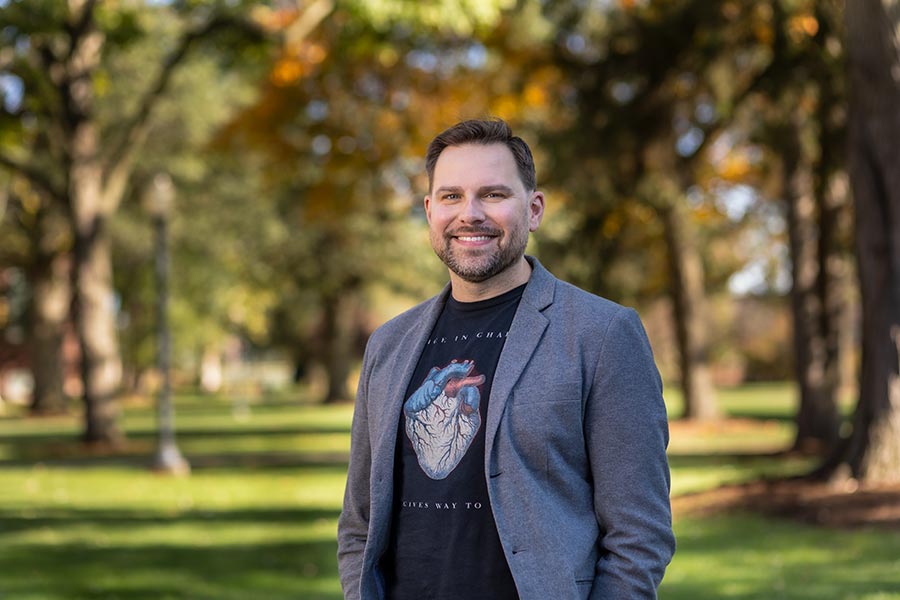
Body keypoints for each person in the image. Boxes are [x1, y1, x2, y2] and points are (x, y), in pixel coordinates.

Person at [337, 118, 675, 600]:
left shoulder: (601, 334)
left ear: (534, 209)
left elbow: (639, 537)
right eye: (451, 196)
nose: (469, 214)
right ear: (430, 210)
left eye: (493, 195)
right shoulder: (388, 345)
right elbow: (359, 524)